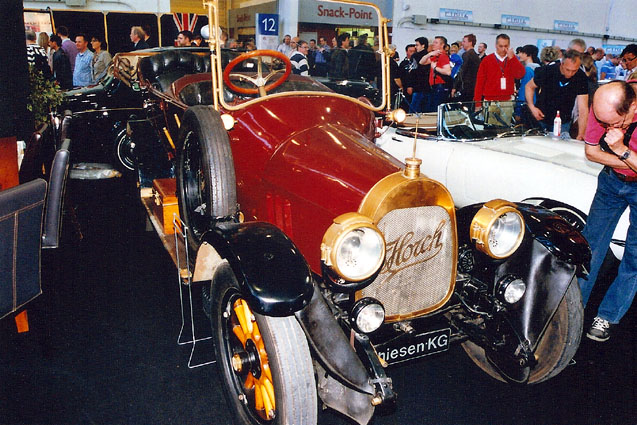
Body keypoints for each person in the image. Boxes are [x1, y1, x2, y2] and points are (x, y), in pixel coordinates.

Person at [578, 80, 637, 342]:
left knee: (634, 256)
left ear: (633, 107)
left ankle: (608, 315)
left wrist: (621, 150)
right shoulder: (605, 103)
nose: (609, 129)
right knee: (590, 245)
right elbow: (591, 152)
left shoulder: (620, 105)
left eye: (615, 124)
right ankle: (574, 308)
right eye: (603, 123)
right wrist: (629, 162)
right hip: (612, 181)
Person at [525, 50, 588, 139]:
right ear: (562, 64)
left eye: (574, 71)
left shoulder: (581, 77)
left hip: (563, 121)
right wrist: (532, 107)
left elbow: (583, 108)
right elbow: (529, 87)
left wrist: (581, 133)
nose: (570, 74)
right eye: (567, 70)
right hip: (541, 117)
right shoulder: (547, 71)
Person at [473, 33, 525, 117]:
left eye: (506, 46)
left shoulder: (512, 59)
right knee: (490, 124)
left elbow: (520, 74)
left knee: (505, 125)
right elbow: (479, 83)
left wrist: (513, 58)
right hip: (490, 101)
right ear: (496, 45)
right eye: (501, 46)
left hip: (507, 100)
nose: (503, 49)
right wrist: (478, 103)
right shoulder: (487, 60)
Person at [419, 36, 452, 112]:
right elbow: (421, 62)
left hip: (440, 86)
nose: (433, 44)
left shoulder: (443, 56)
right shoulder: (436, 56)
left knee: (435, 109)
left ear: (442, 45)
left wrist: (435, 68)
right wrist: (430, 54)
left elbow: (448, 72)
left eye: (436, 43)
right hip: (434, 86)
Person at [451, 34, 480, 102]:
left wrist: (455, 87)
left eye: (464, 41)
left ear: (470, 43)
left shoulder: (466, 55)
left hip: (465, 87)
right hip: (473, 86)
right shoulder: (476, 56)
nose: (462, 43)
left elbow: (462, 71)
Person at [515, 44, 540, 123]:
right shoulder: (538, 68)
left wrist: (518, 111)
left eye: (522, 53)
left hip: (526, 106)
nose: (519, 55)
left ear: (528, 55)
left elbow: (524, 90)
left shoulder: (527, 70)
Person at [406, 37, 430, 113]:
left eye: (417, 45)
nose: (415, 47)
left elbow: (412, 71)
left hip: (418, 85)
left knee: (414, 108)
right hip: (424, 85)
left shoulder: (416, 56)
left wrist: (410, 85)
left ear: (423, 45)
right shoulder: (428, 55)